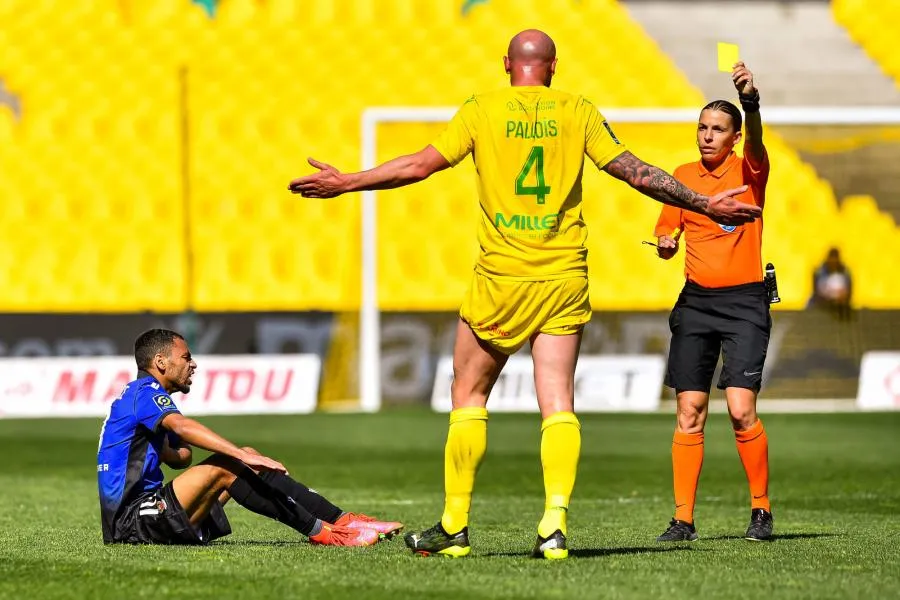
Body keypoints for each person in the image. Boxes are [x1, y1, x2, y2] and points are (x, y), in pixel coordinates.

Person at [289, 30, 760, 559]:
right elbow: (637, 173)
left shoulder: (480, 110)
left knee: (468, 395)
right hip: (562, 274)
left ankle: (455, 525)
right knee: (557, 400)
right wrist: (705, 204)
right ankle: (554, 525)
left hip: (501, 275)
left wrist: (348, 181)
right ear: (553, 67)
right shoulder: (578, 110)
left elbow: (418, 166)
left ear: (506, 64)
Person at [97, 328, 402, 545]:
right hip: (132, 520)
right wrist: (239, 456)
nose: (193, 364)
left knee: (243, 454)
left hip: (146, 512)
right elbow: (183, 427)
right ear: (161, 362)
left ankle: (342, 520)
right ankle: (327, 533)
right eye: (186, 357)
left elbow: (182, 458)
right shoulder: (144, 393)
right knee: (232, 462)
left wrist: (159, 446)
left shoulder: (140, 398)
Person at [653, 62, 774, 542]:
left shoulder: (751, 169)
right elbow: (667, 225)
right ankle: (683, 520)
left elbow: (760, 140)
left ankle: (761, 511)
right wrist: (665, 240)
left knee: (741, 409)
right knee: (690, 412)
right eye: (702, 127)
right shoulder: (681, 176)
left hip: (745, 303)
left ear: (736, 138)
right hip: (696, 303)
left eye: (717, 129)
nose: (706, 136)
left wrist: (750, 102)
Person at [809, 247, 852, 317]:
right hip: (820, 306)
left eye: (835, 258)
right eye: (832, 258)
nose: (833, 261)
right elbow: (817, 293)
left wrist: (841, 298)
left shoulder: (845, 273)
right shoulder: (819, 273)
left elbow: (848, 293)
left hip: (839, 309)